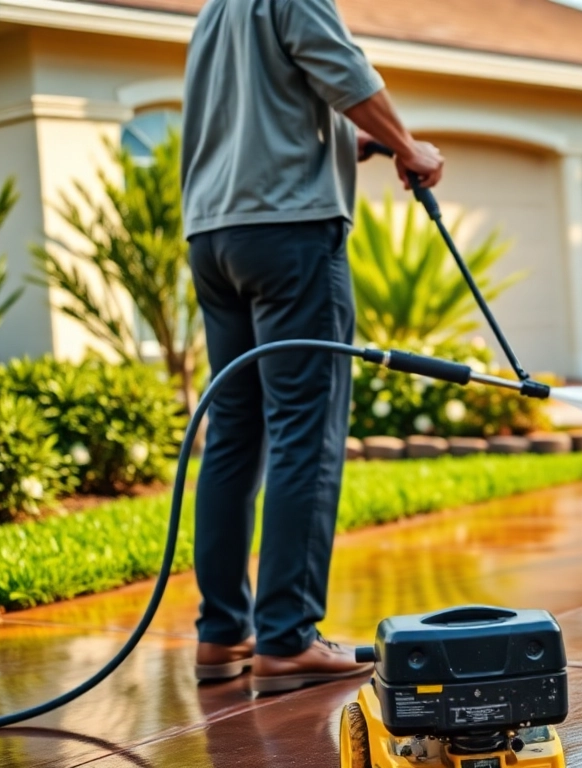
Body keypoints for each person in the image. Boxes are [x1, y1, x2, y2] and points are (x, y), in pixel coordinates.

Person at [180, 0, 444, 694]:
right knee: (306, 428)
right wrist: (409, 145)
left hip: (216, 237)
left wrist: (346, 144)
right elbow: (347, 74)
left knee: (236, 432)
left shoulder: (216, 12)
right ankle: (288, 639)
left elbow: (261, 114)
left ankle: (222, 634)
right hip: (291, 234)